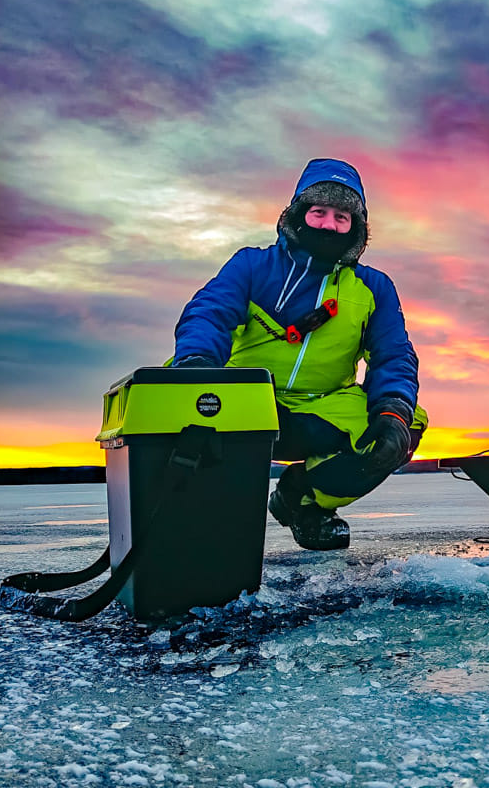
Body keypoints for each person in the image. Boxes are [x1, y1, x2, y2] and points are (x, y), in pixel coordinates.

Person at [173, 159, 427, 551]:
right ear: (297, 214)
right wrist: (198, 364)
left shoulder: (374, 287)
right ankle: (188, 529)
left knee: (402, 425)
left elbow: (393, 356)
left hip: (320, 412)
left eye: (341, 216)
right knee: (168, 395)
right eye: (319, 211)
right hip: (247, 406)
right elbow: (209, 314)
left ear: (356, 227)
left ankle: (303, 499)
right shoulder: (253, 266)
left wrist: (393, 408)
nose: (328, 225)